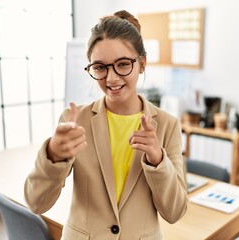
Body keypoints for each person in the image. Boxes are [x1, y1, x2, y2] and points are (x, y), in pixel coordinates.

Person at [24, 10, 187, 240]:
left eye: (122, 64)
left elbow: (175, 212)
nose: (111, 78)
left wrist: (157, 159)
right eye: (100, 67)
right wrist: (53, 155)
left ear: (142, 63)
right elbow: (36, 203)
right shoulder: (74, 120)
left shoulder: (167, 126)